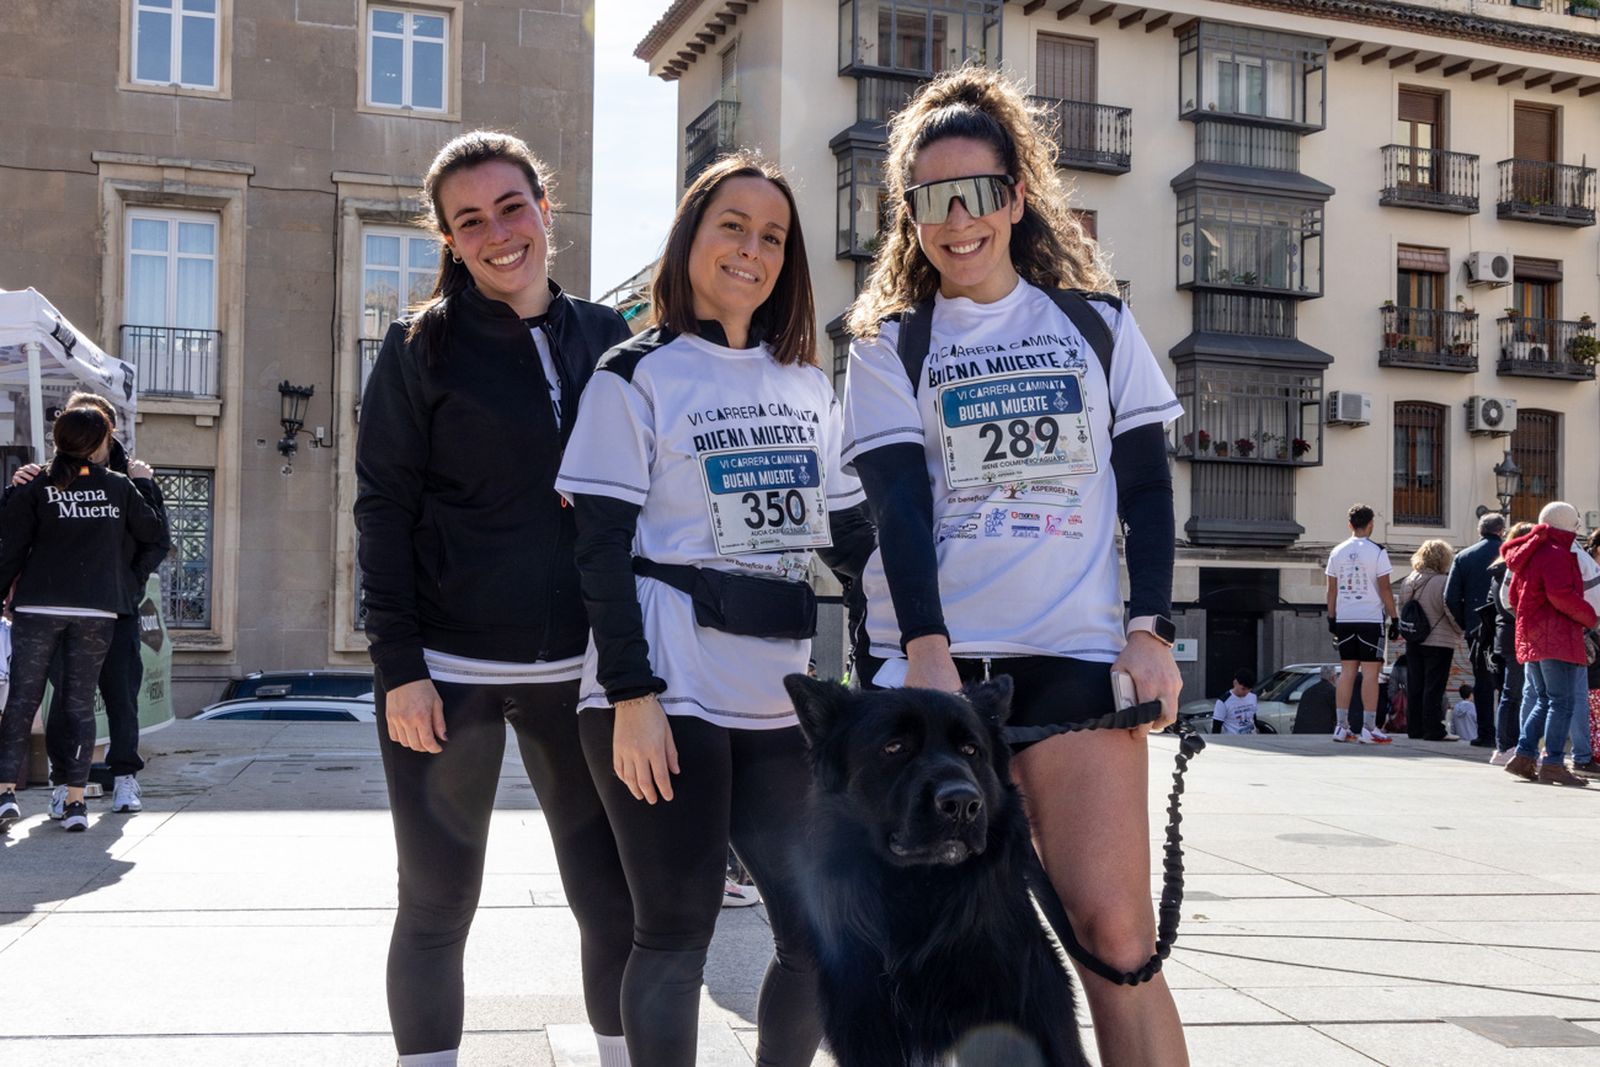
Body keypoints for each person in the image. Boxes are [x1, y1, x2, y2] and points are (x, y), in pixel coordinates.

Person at [841, 69, 1188, 1064]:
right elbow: (897, 506)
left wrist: (1150, 631)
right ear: (908, 213)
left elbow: (1146, 489)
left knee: (1116, 938)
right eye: (932, 200)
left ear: (1016, 196)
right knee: (932, 949)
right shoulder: (888, 345)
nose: (957, 221)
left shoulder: (1096, 325)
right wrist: (927, 651)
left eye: (977, 193)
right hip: (938, 677)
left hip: (1070, 659)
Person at [555, 153, 871, 1067]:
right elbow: (598, 548)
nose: (751, 250)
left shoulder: (808, 385)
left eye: (772, 236)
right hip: (666, 688)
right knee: (675, 930)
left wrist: (910, 647)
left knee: (819, 933)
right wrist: (632, 696)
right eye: (732, 225)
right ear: (691, 234)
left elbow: (855, 547)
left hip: (776, 697)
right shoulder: (634, 374)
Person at [354, 130, 635, 1067]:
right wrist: (400, 667)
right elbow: (382, 509)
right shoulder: (419, 347)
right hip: (448, 672)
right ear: (449, 237)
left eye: (512, 207)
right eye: (469, 220)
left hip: (584, 674)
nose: (498, 233)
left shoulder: (608, 335)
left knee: (610, 899)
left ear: (544, 209)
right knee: (436, 903)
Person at [0, 408, 167, 832]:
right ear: (101, 440)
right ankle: (73, 799)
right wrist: (145, 486)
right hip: (91, 609)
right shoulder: (115, 485)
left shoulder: (42, 484)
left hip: (53, 607)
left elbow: (10, 545)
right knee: (74, 704)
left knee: (26, 700)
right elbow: (155, 534)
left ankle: (7, 795)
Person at [1501, 502, 1597, 787]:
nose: (1578, 528)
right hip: (1557, 636)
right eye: (1576, 523)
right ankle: (1553, 763)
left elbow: (1513, 598)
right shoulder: (1557, 553)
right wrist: (1590, 617)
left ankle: (1524, 756)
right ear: (1568, 525)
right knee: (1562, 702)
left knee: (1544, 699)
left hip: (1533, 634)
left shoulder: (1531, 552)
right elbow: (1560, 595)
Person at [1325, 503, 1399, 744]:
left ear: (1349, 525)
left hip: (1344, 618)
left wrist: (1331, 617)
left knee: (1346, 671)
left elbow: (1331, 589)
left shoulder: (1336, 551)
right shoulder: (1377, 551)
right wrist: (1394, 617)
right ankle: (1369, 728)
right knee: (1370, 673)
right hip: (1370, 618)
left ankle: (1341, 726)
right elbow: (1385, 588)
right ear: (1371, 525)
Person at [1445, 513, 1506, 747]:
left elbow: (1450, 597)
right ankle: (1509, 736)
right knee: (1510, 681)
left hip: (1478, 629)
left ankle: (1486, 734)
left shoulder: (1463, 556)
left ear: (1480, 531)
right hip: (1506, 624)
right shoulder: (1509, 554)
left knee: (1482, 680)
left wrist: (1467, 623)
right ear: (1501, 531)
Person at [1398, 539, 1463, 741]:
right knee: (1434, 686)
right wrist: (1459, 628)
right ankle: (1433, 729)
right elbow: (1449, 609)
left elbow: (1403, 608)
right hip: (1439, 641)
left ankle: (1414, 728)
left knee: (1415, 685)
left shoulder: (1409, 580)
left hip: (1414, 640)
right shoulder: (1443, 582)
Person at [1484, 521, 1533, 765]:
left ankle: (1506, 746)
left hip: (1503, 635)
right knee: (1514, 693)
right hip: (1515, 633)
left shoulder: (1500, 567)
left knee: (1511, 693)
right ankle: (1506, 747)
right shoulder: (1514, 567)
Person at [1293, 665, 1337, 734]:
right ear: (1333, 677)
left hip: (1301, 733)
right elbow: (1337, 715)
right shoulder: (1333, 692)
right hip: (1322, 734)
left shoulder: (1307, 691)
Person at [1212, 669, 1257, 734]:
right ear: (1235, 683)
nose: (1246, 692)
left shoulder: (1253, 696)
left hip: (1252, 737)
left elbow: (1253, 715)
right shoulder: (1223, 702)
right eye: (1243, 689)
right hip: (1234, 739)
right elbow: (1216, 728)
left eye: (1249, 689)